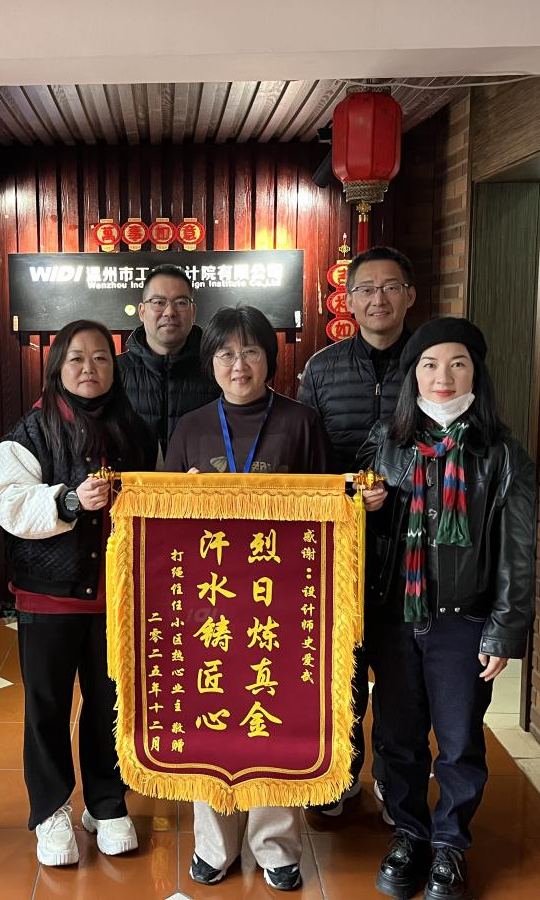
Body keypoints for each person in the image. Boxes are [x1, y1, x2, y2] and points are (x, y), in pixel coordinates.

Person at [357, 317, 536, 900]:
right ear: (413, 375)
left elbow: (517, 552)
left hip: (465, 622)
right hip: (395, 617)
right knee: (398, 736)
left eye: (458, 364)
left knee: (459, 741)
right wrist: (366, 505)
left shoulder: (502, 454)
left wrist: (505, 630)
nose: (443, 376)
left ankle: (450, 843)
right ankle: (409, 833)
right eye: (430, 365)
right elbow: (353, 535)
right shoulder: (387, 444)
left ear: (475, 373)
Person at [165, 304, 329, 892]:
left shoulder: (301, 422)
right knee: (211, 716)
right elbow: (163, 521)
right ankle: (215, 843)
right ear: (210, 363)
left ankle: (276, 845)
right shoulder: (190, 428)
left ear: (270, 359)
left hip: (280, 600)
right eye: (226, 353)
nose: (239, 365)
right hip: (208, 602)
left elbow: (326, 510)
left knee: (274, 717)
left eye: (251, 351)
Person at [0, 319, 157, 867]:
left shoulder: (135, 430)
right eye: (77, 359)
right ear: (57, 367)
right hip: (48, 596)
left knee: (110, 703)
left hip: (118, 596)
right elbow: (9, 505)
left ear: (115, 367)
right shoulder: (29, 432)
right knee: (47, 706)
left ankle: (106, 804)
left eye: (101, 358)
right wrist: (67, 501)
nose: (90, 369)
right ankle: (51, 809)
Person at [297, 245, 417, 820]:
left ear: (409, 296)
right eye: (366, 289)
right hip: (339, 546)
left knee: (398, 672)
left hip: (411, 544)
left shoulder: (428, 363)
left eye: (390, 287)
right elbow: (305, 456)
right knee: (338, 664)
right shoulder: (322, 368)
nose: (378, 299)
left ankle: (394, 782)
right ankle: (340, 772)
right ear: (348, 300)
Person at [118, 264, 221, 458]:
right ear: (142, 311)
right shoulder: (115, 373)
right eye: (158, 302)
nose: (170, 312)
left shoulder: (217, 370)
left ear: (193, 312)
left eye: (181, 303)